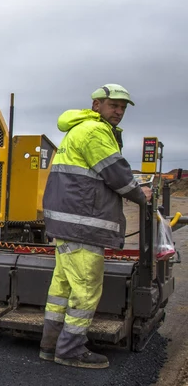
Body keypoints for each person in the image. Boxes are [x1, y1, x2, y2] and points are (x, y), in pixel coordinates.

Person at [39, 84, 151, 369]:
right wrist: (142, 195)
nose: (119, 112)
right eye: (114, 105)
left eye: (123, 108)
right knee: (86, 289)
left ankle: (51, 345)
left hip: (69, 224)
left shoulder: (79, 129)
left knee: (61, 289)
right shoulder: (95, 132)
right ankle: (71, 350)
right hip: (82, 224)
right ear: (97, 104)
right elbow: (118, 175)